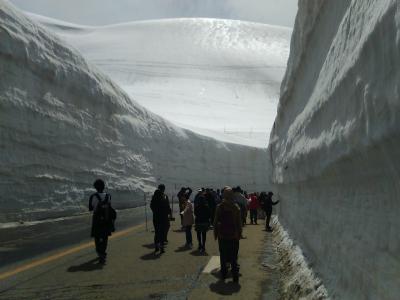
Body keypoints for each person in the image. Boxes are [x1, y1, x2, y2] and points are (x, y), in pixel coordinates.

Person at [214, 187, 242, 282]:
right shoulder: (236, 207)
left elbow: (215, 221)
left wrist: (216, 234)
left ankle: (224, 274)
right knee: (234, 256)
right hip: (233, 236)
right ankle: (235, 276)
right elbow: (239, 223)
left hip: (222, 236)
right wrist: (239, 234)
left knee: (223, 255)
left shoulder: (219, 207)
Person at [89, 179, 116, 264]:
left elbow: (90, 208)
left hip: (97, 219)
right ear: (104, 186)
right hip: (106, 219)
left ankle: (99, 252)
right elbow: (110, 207)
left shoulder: (93, 196)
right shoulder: (108, 196)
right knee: (105, 237)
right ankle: (103, 253)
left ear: (95, 187)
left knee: (97, 237)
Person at [150, 184, 172, 253]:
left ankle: (156, 247)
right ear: (163, 189)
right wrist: (169, 214)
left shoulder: (154, 197)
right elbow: (168, 207)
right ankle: (162, 248)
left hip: (156, 217)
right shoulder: (164, 197)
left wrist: (155, 212)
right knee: (162, 232)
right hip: (163, 218)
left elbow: (151, 206)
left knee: (157, 232)